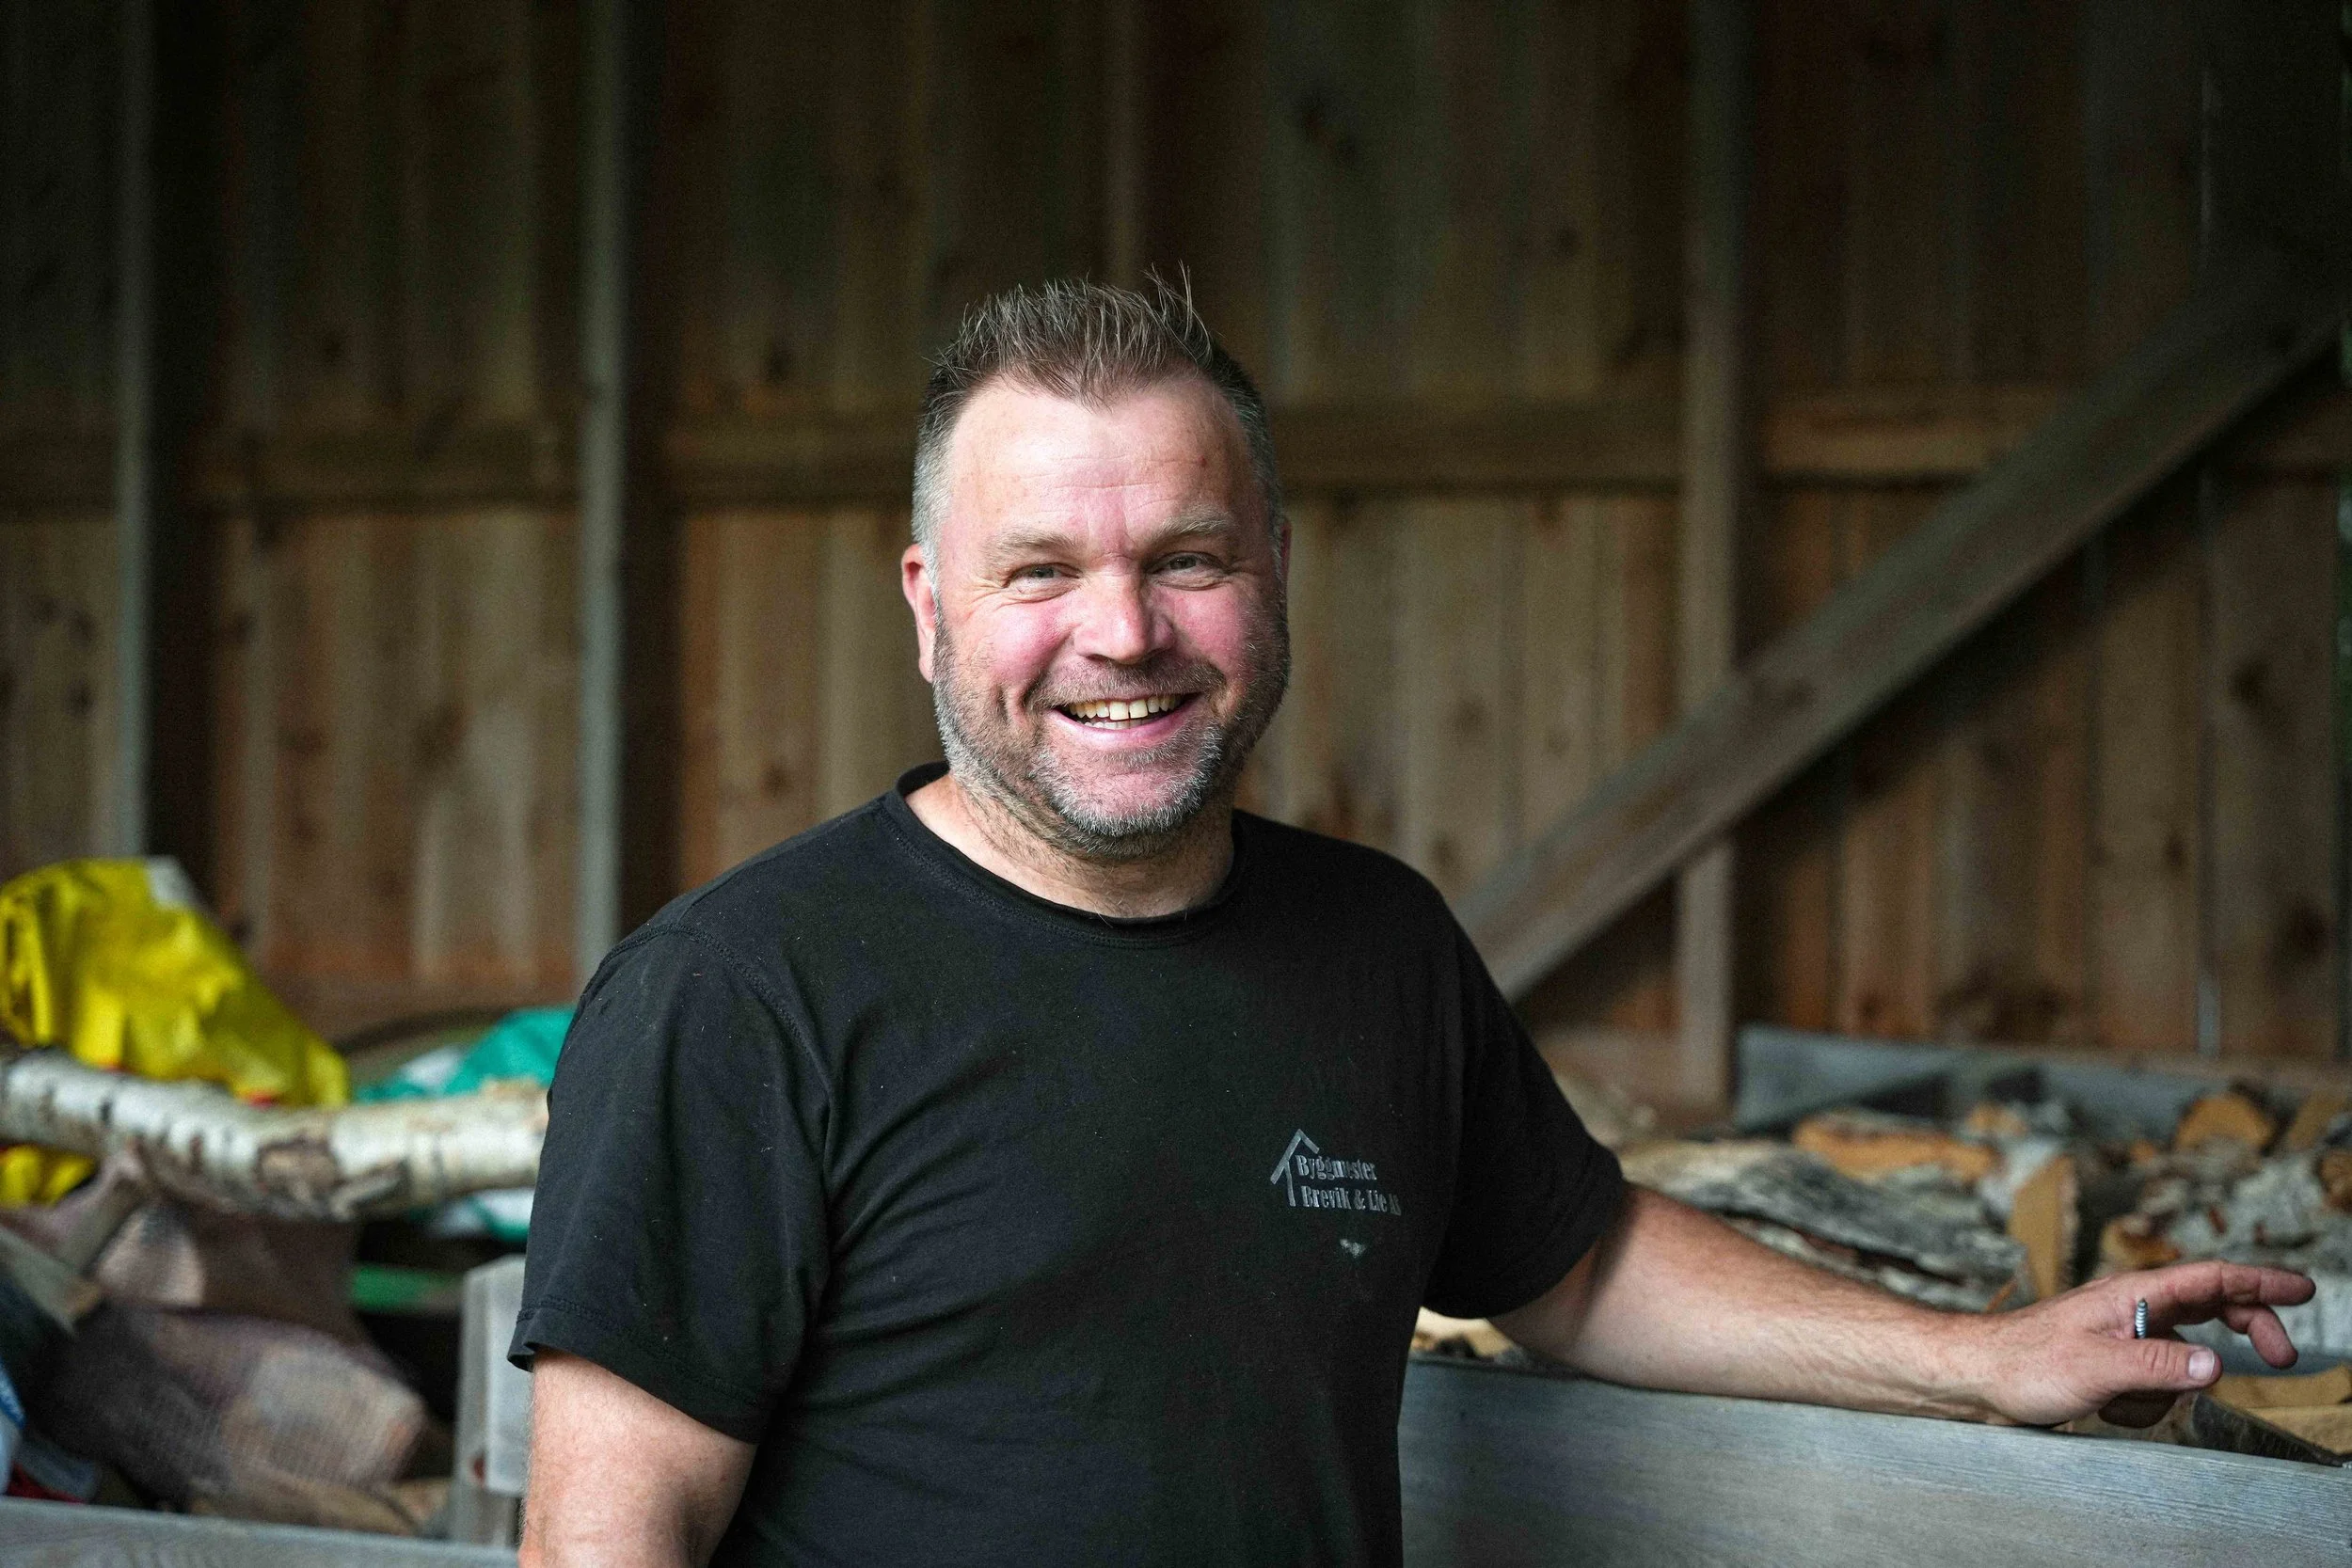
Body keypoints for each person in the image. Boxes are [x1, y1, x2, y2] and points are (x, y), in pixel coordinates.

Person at [512, 279, 2312, 1568]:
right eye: (1041, 571)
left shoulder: (1375, 944)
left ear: (1274, 571)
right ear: (930, 605)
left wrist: (1984, 1360)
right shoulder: (739, 996)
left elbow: (1579, 1258)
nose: (1122, 631)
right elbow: (616, 1535)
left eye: (1187, 559)